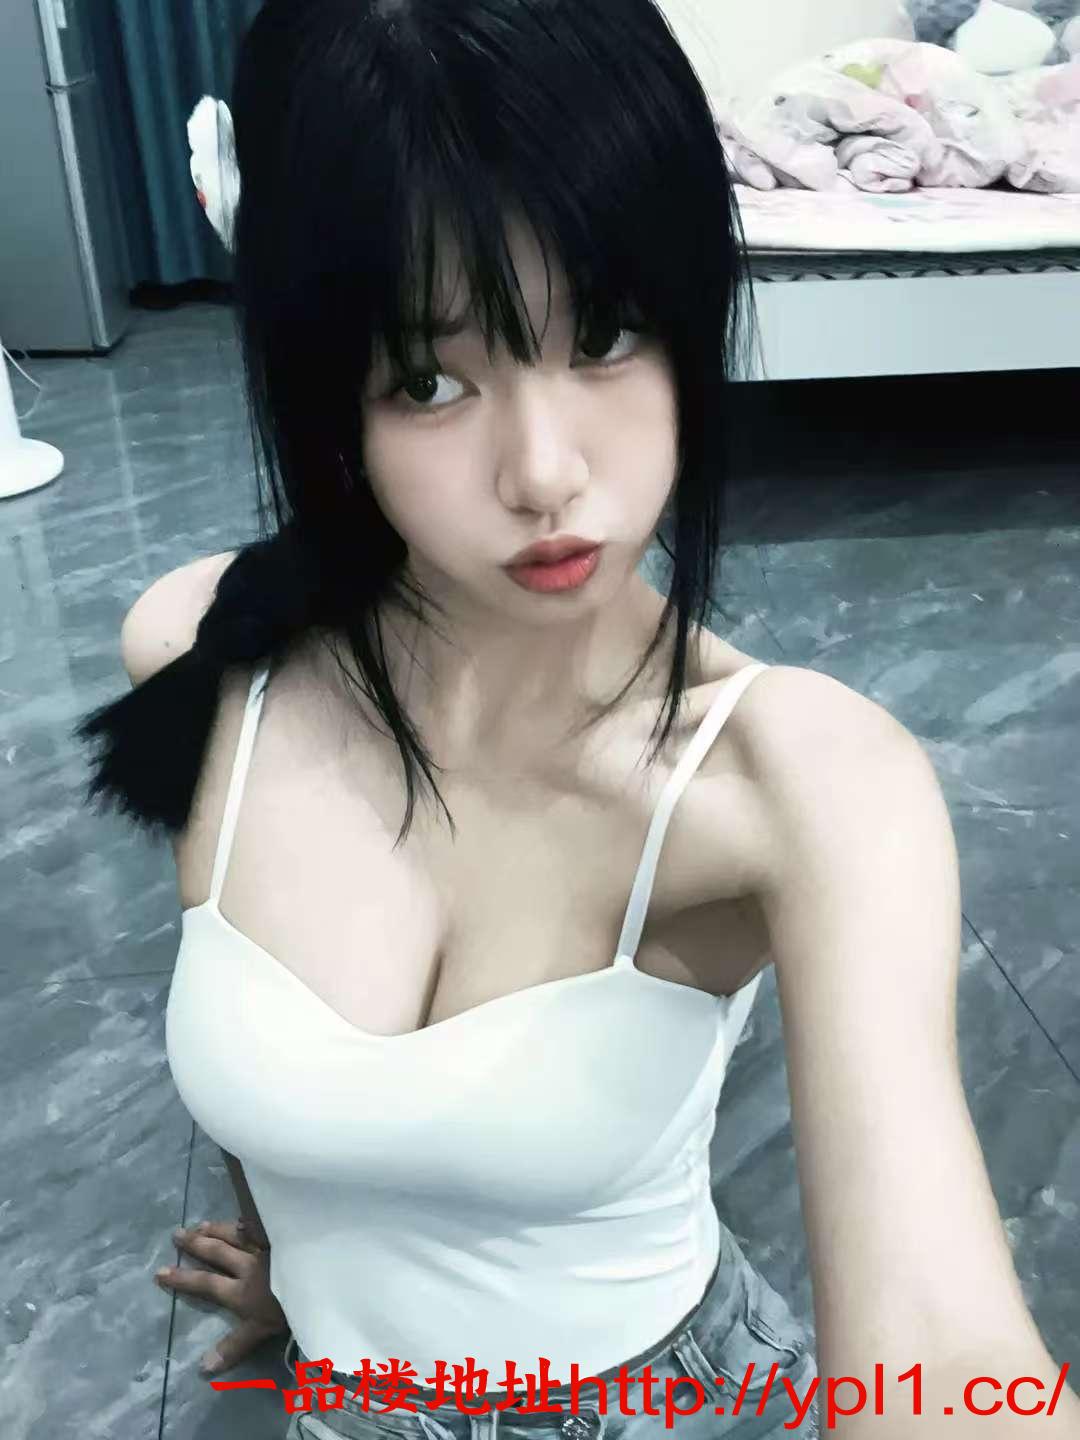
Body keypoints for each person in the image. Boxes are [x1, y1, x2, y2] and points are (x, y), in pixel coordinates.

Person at [76, 2, 1078, 1437]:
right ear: (320, 387)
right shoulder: (201, 652)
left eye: (604, 334)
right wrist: (304, 1267)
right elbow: (256, 1066)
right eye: (427, 379)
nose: (545, 473)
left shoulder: (801, 780)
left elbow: (942, 1341)